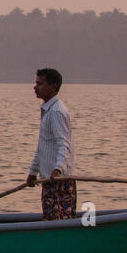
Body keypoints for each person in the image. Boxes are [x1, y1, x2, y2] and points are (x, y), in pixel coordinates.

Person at [25, 68, 76, 220]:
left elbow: (63, 145)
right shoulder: (48, 110)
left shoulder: (56, 112)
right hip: (49, 180)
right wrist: (33, 172)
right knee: (51, 219)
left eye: (40, 84)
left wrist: (58, 170)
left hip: (59, 182)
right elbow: (42, 147)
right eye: (36, 83)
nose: (35, 87)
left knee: (59, 221)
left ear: (53, 86)